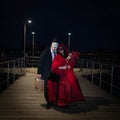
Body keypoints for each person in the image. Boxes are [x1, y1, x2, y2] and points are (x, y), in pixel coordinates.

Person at [37, 38, 59, 109]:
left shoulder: (57, 53)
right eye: (54, 45)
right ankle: (48, 102)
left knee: (54, 88)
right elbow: (40, 62)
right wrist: (39, 73)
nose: (55, 47)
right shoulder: (46, 52)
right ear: (51, 45)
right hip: (46, 74)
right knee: (47, 88)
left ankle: (54, 101)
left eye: (56, 46)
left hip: (54, 74)